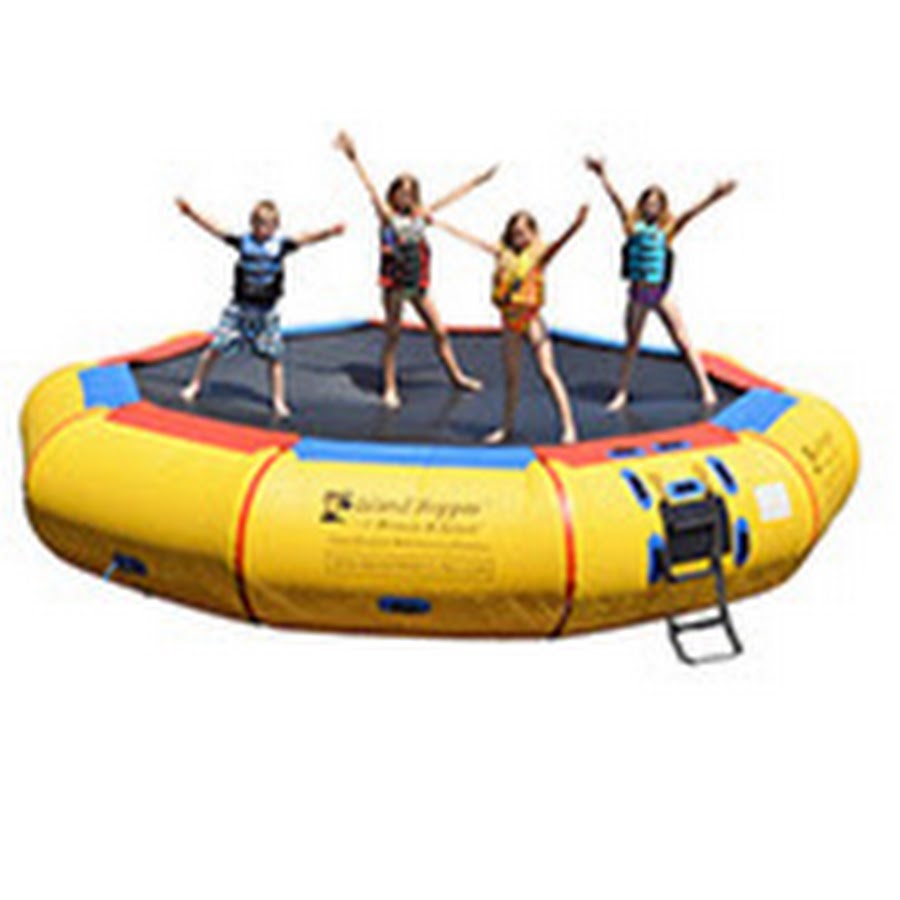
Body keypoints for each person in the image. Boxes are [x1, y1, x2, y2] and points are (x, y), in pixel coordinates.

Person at [334, 131, 494, 408]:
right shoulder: (388, 217)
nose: (405, 198)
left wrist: (478, 181)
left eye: (410, 194)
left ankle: (457, 376)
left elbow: (451, 197)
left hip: (417, 284)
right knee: (393, 336)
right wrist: (354, 159)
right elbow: (371, 191)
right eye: (401, 193)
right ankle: (390, 387)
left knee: (440, 331)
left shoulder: (421, 215)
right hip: (395, 286)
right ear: (394, 195)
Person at [585, 156, 737, 410]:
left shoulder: (667, 229)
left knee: (682, 339)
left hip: (660, 293)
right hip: (637, 295)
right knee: (631, 344)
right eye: (648, 203)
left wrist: (715, 196)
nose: (652, 208)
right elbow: (617, 202)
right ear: (642, 205)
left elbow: (691, 214)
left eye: (656, 204)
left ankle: (705, 387)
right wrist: (603, 176)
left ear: (662, 207)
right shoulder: (632, 226)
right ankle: (621, 392)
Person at [431, 206, 589, 444]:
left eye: (523, 233)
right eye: (515, 233)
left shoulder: (539, 256)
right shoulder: (502, 253)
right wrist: (442, 225)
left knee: (548, 372)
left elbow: (560, 243)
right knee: (512, 378)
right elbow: (473, 240)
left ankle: (569, 427)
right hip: (509, 321)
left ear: (533, 234)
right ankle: (506, 427)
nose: (519, 238)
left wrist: (576, 225)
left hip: (531, 319)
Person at [175, 197, 345, 418]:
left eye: (267, 225)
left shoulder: (280, 245)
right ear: (251, 223)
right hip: (239, 309)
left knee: (275, 358)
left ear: (275, 226)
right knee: (215, 347)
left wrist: (329, 232)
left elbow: (306, 238)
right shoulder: (244, 242)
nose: (262, 229)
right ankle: (195, 385)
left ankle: (278, 401)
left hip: (266, 312)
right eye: (258, 224)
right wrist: (191, 213)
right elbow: (216, 229)